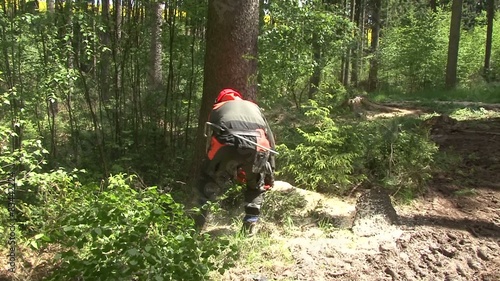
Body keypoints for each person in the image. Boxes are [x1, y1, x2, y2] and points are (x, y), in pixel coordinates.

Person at [195, 88, 276, 236]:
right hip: (257, 145)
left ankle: (197, 224)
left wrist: (211, 165)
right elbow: (270, 140)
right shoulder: (254, 107)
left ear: (220, 99)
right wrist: (270, 174)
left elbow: (209, 138)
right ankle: (250, 223)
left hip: (226, 144)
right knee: (256, 184)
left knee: (208, 180)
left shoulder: (217, 107)